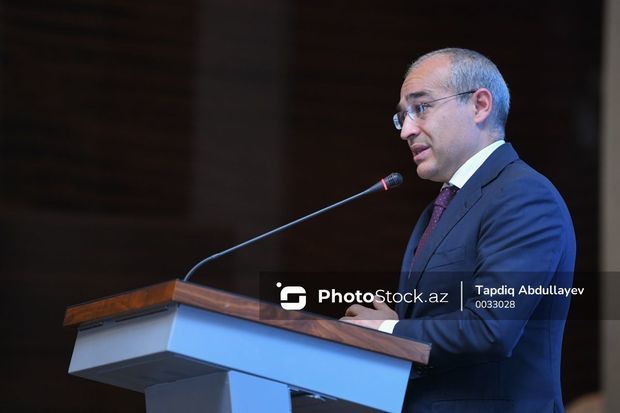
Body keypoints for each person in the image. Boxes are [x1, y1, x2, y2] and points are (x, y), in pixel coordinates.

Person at [341, 48, 576, 413]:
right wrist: (394, 330)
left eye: (421, 107)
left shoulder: (525, 196)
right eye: (402, 116)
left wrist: (388, 330)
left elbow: (492, 327)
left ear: (480, 105)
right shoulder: (440, 207)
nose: (406, 130)